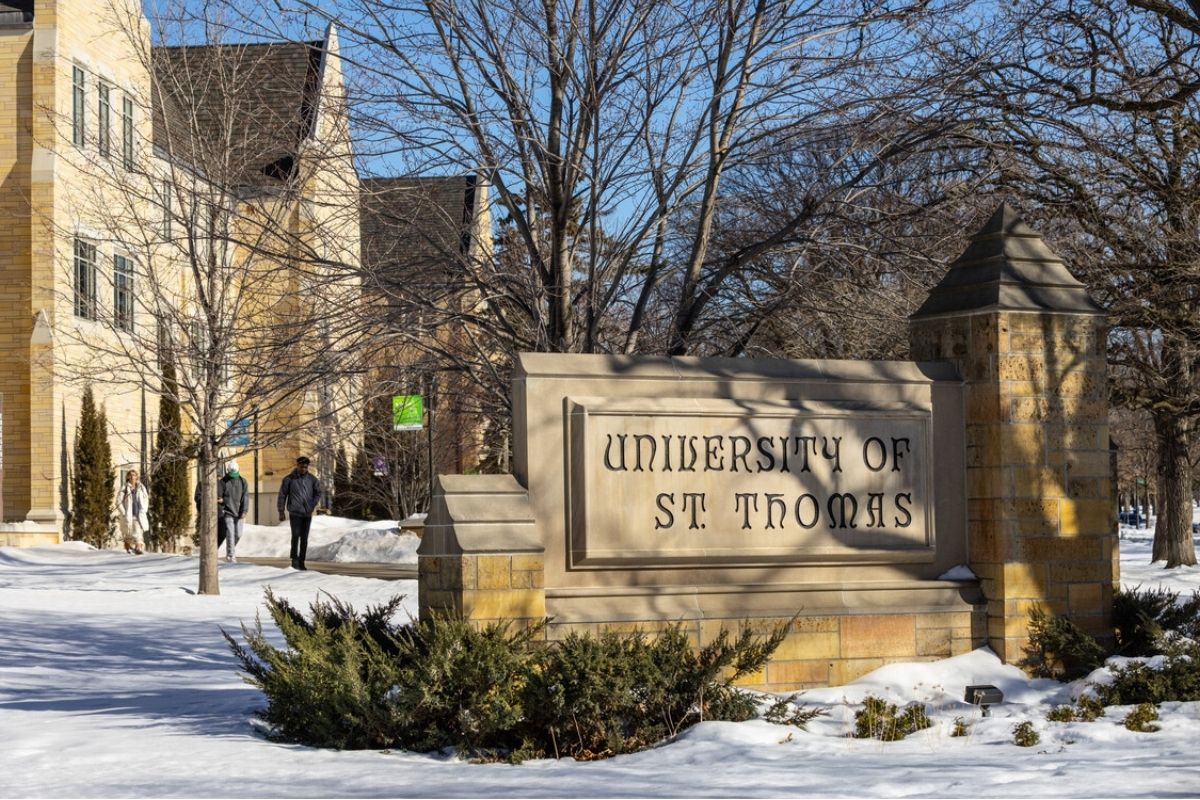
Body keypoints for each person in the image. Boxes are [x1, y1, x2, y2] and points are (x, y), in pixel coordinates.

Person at [277, 456, 322, 570]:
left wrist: (312, 504)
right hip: (295, 512)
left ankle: (302, 561)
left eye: (305, 467)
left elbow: (318, 493)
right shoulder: (289, 479)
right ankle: (294, 560)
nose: (303, 469)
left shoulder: (312, 479)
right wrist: (281, 511)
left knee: (304, 538)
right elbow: (282, 495)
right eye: (301, 466)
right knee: (295, 536)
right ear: (297, 466)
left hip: (307, 513)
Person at [218, 461, 249, 563]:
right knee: (230, 533)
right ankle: (231, 556)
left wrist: (244, 510)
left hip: (239, 512)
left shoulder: (243, 481)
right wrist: (221, 500)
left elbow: (245, 497)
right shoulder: (223, 481)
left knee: (238, 534)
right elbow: (219, 495)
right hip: (227, 511)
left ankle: (231, 549)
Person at [115, 469, 148, 555]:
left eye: (134, 475)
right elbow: (118, 501)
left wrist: (144, 509)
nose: (132, 476)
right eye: (130, 475)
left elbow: (146, 499)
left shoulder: (141, 487)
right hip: (128, 515)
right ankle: (128, 549)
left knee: (138, 532)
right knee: (127, 535)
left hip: (138, 514)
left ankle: (138, 548)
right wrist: (124, 512)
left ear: (137, 476)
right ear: (128, 477)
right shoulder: (124, 488)